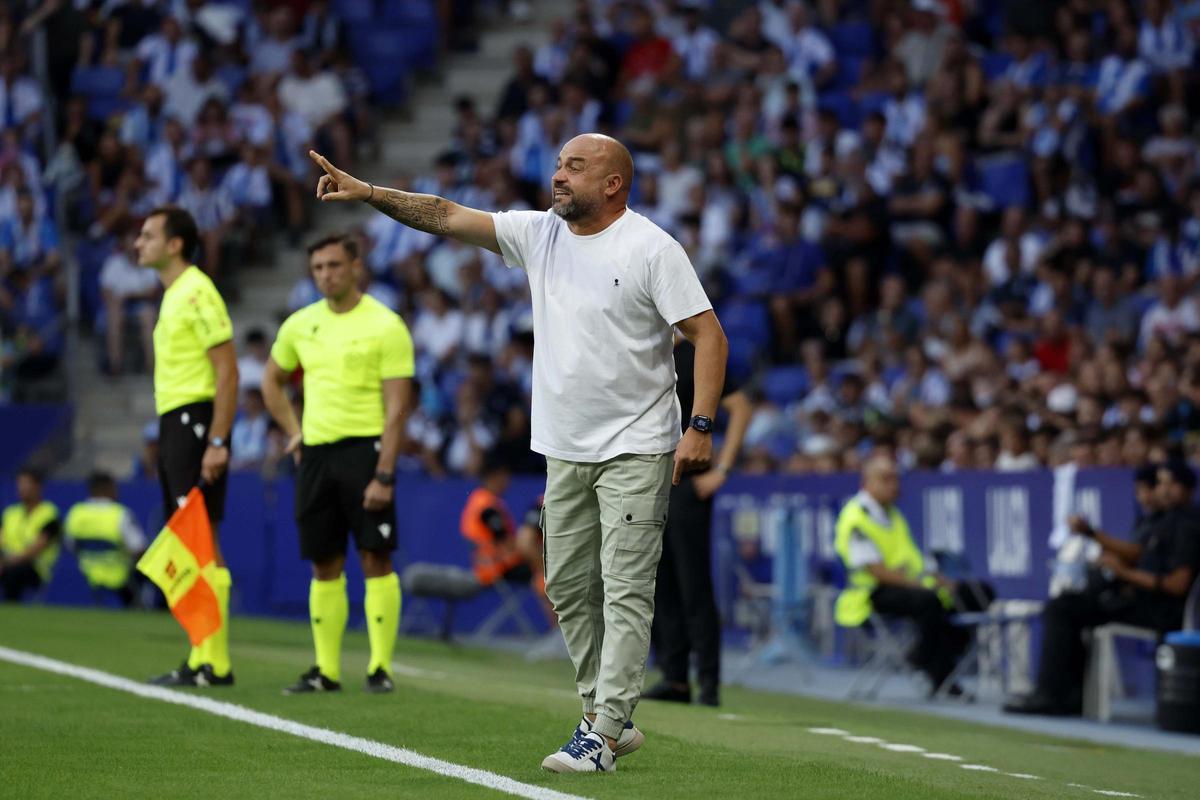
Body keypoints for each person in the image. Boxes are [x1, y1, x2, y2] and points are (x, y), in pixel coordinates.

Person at [308, 131, 727, 773]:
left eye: (575, 167)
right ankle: (607, 716)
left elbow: (709, 335)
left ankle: (601, 732)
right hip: (563, 447)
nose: (559, 175)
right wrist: (368, 193)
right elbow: (444, 214)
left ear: (613, 183)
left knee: (625, 588)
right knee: (565, 585)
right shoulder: (540, 234)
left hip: (637, 444)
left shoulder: (651, 247)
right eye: (558, 164)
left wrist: (699, 425)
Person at [261, 234, 413, 695]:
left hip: (366, 451)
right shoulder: (300, 324)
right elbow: (271, 380)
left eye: (334, 265)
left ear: (355, 267)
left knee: (374, 556)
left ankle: (380, 668)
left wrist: (384, 472)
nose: (325, 275)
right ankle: (326, 671)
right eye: (318, 268)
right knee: (323, 560)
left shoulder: (385, 325)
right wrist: (294, 432)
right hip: (316, 455)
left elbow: (397, 408)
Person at [1005, 462, 1200, 716]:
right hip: (1136, 600)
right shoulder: (1163, 519)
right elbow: (1139, 554)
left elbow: (1177, 585)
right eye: (1160, 483)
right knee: (1068, 603)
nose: (1161, 490)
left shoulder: (1188, 524)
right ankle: (1067, 696)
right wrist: (1110, 558)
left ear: (1186, 488)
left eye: (1169, 484)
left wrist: (1123, 572)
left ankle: (1051, 695)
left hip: (1159, 611)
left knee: (1062, 609)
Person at [137, 206, 239, 687]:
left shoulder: (196, 290)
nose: (138, 243)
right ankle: (203, 655)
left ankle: (214, 661)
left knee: (201, 537)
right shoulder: (176, 293)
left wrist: (217, 440)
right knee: (193, 538)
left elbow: (228, 370)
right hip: (178, 420)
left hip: (194, 420)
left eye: (148, 235)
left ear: (175, 243)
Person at [643, 337, 753, 707]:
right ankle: (675, 677)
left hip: (689, 483)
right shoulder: (650, 350)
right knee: (660, 582)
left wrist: (723, 469)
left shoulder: (696, 351)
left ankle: (708, 683)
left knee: (693, 584)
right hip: (651, 481)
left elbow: (740, 407)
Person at [833, 454, 995, 694]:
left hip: (913, 585)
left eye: (896, 479)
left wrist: (941, 581)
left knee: (978, 593)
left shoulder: (893, 515)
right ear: (867, 482)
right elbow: (875, 570)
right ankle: (934, 668)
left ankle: (928, 658)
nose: (894, 486)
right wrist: (920, 584)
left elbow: (913, 560)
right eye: (886, 479)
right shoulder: (856, 517)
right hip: (873, 593)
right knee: (929, 602)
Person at [63, 471, 146, 606]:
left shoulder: (76, 513)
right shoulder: (120, 514)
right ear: (108, 488)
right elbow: (139, 549)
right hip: (120, 582)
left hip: (85, 578)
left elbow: (70, 545)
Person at [460, 453, 532, 588]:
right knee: (544, 570)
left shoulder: (479, 499)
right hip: (497, 567)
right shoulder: (486, 506)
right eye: (506, 476)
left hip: (491, 566)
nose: (508, 482)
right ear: (495, 476)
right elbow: (505, 542)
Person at [0, 468, 61, 603]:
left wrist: (7, 563)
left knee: (13, 574)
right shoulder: (10, 513)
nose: (21, 488)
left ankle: (11, 610)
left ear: (38, 486)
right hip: (6, 563)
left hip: (35, 568)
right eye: (19, 483)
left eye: (26, 483)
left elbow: (37, 548)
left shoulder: (49, 514)